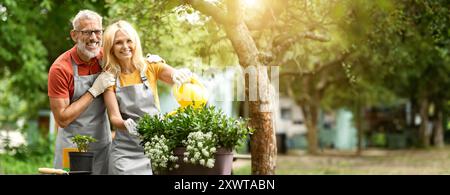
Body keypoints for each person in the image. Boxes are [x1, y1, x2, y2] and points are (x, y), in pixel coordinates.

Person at [101, 20, 192, 174]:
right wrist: (126, 124)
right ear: (111, 48)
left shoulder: (150, 66)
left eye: (129, 41)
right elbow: (114, 117)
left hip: (154, 148)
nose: (125, 46)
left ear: (135, 42)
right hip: (124, 152)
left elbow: (172, 75)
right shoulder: (109, 77)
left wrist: (178, 74)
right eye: (118, 43)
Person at [48, 10, 114, 174]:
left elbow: (133, 58)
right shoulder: (60, 69)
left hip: (102, 145)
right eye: (86, 32)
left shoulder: (106, 58)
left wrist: (153, 60)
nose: (93, 37)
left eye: (97, 31)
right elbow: (62, 119)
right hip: (72, 146)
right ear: (74, 35)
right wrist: (93, 91)